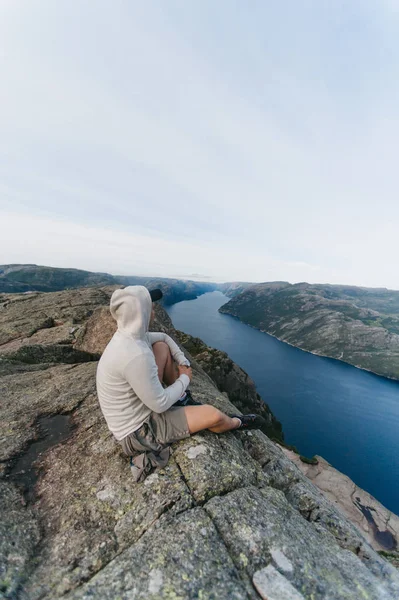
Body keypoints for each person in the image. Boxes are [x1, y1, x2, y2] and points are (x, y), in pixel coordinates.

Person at [96, 285, 265, 481]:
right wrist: (185, 379)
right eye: (149, 307)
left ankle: (182, 400)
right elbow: (159, 403)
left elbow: (164, 338)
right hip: (139, 431)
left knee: (160, 347)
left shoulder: (129, 337)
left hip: (139, 407)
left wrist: (182, 360)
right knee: (213, 414)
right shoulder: (136, 355)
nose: (153, 310)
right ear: (140, 313)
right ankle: (237, 422)